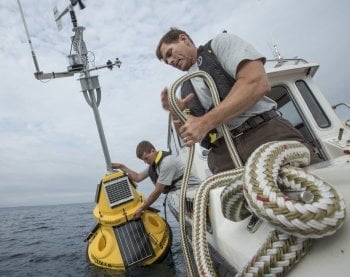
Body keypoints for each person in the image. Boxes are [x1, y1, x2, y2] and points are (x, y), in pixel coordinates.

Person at [156, 28, 321, 174]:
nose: (170, 61)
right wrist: (175, 113)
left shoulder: (219, 44)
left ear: (183, 39)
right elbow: (190, 135)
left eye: (169, 53)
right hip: (222, 157)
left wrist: (205, 122)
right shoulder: (185, 88)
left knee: (308, 194)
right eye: (166, 61)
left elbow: (256, 82)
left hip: (264, 134)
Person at [111, 140, 201, 219]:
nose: (146, 162)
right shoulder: (155, 164)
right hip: (180, 192)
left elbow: (157, 191)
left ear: (153, 151)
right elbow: (138, 177)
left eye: (146, 158)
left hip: (193, 190)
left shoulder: (166, 163)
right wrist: (121, 167)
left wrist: (141, 208)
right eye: (143, 160)